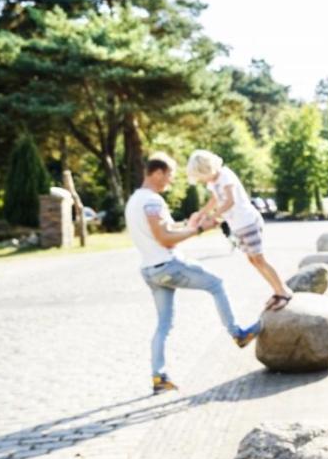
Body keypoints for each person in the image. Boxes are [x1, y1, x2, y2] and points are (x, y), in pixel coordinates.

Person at [125, 153, 260, 395]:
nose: (171, 181)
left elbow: (162, 230)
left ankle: (159, 376)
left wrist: (186, 224)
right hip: (168, 266)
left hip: (149, 270)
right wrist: (198, 230)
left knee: (164, 324)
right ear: (157, 173)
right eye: (169, 176)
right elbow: (164, 239)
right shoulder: (152, 202)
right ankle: (238, 333)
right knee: (216, 284)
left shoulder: (135, 200)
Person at [185, 150, 292, 311]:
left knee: (259, 259)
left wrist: (212, 218)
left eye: (201, 176)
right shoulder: (213, 181)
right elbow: (215, 199)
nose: (201, 180)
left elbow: (230, 201)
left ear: (206, 169)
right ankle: (277, 291)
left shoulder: (225, 175)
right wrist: (201, 213)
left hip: (248, 222)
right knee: (253, 260)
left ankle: (283, 292)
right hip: (238, 225)